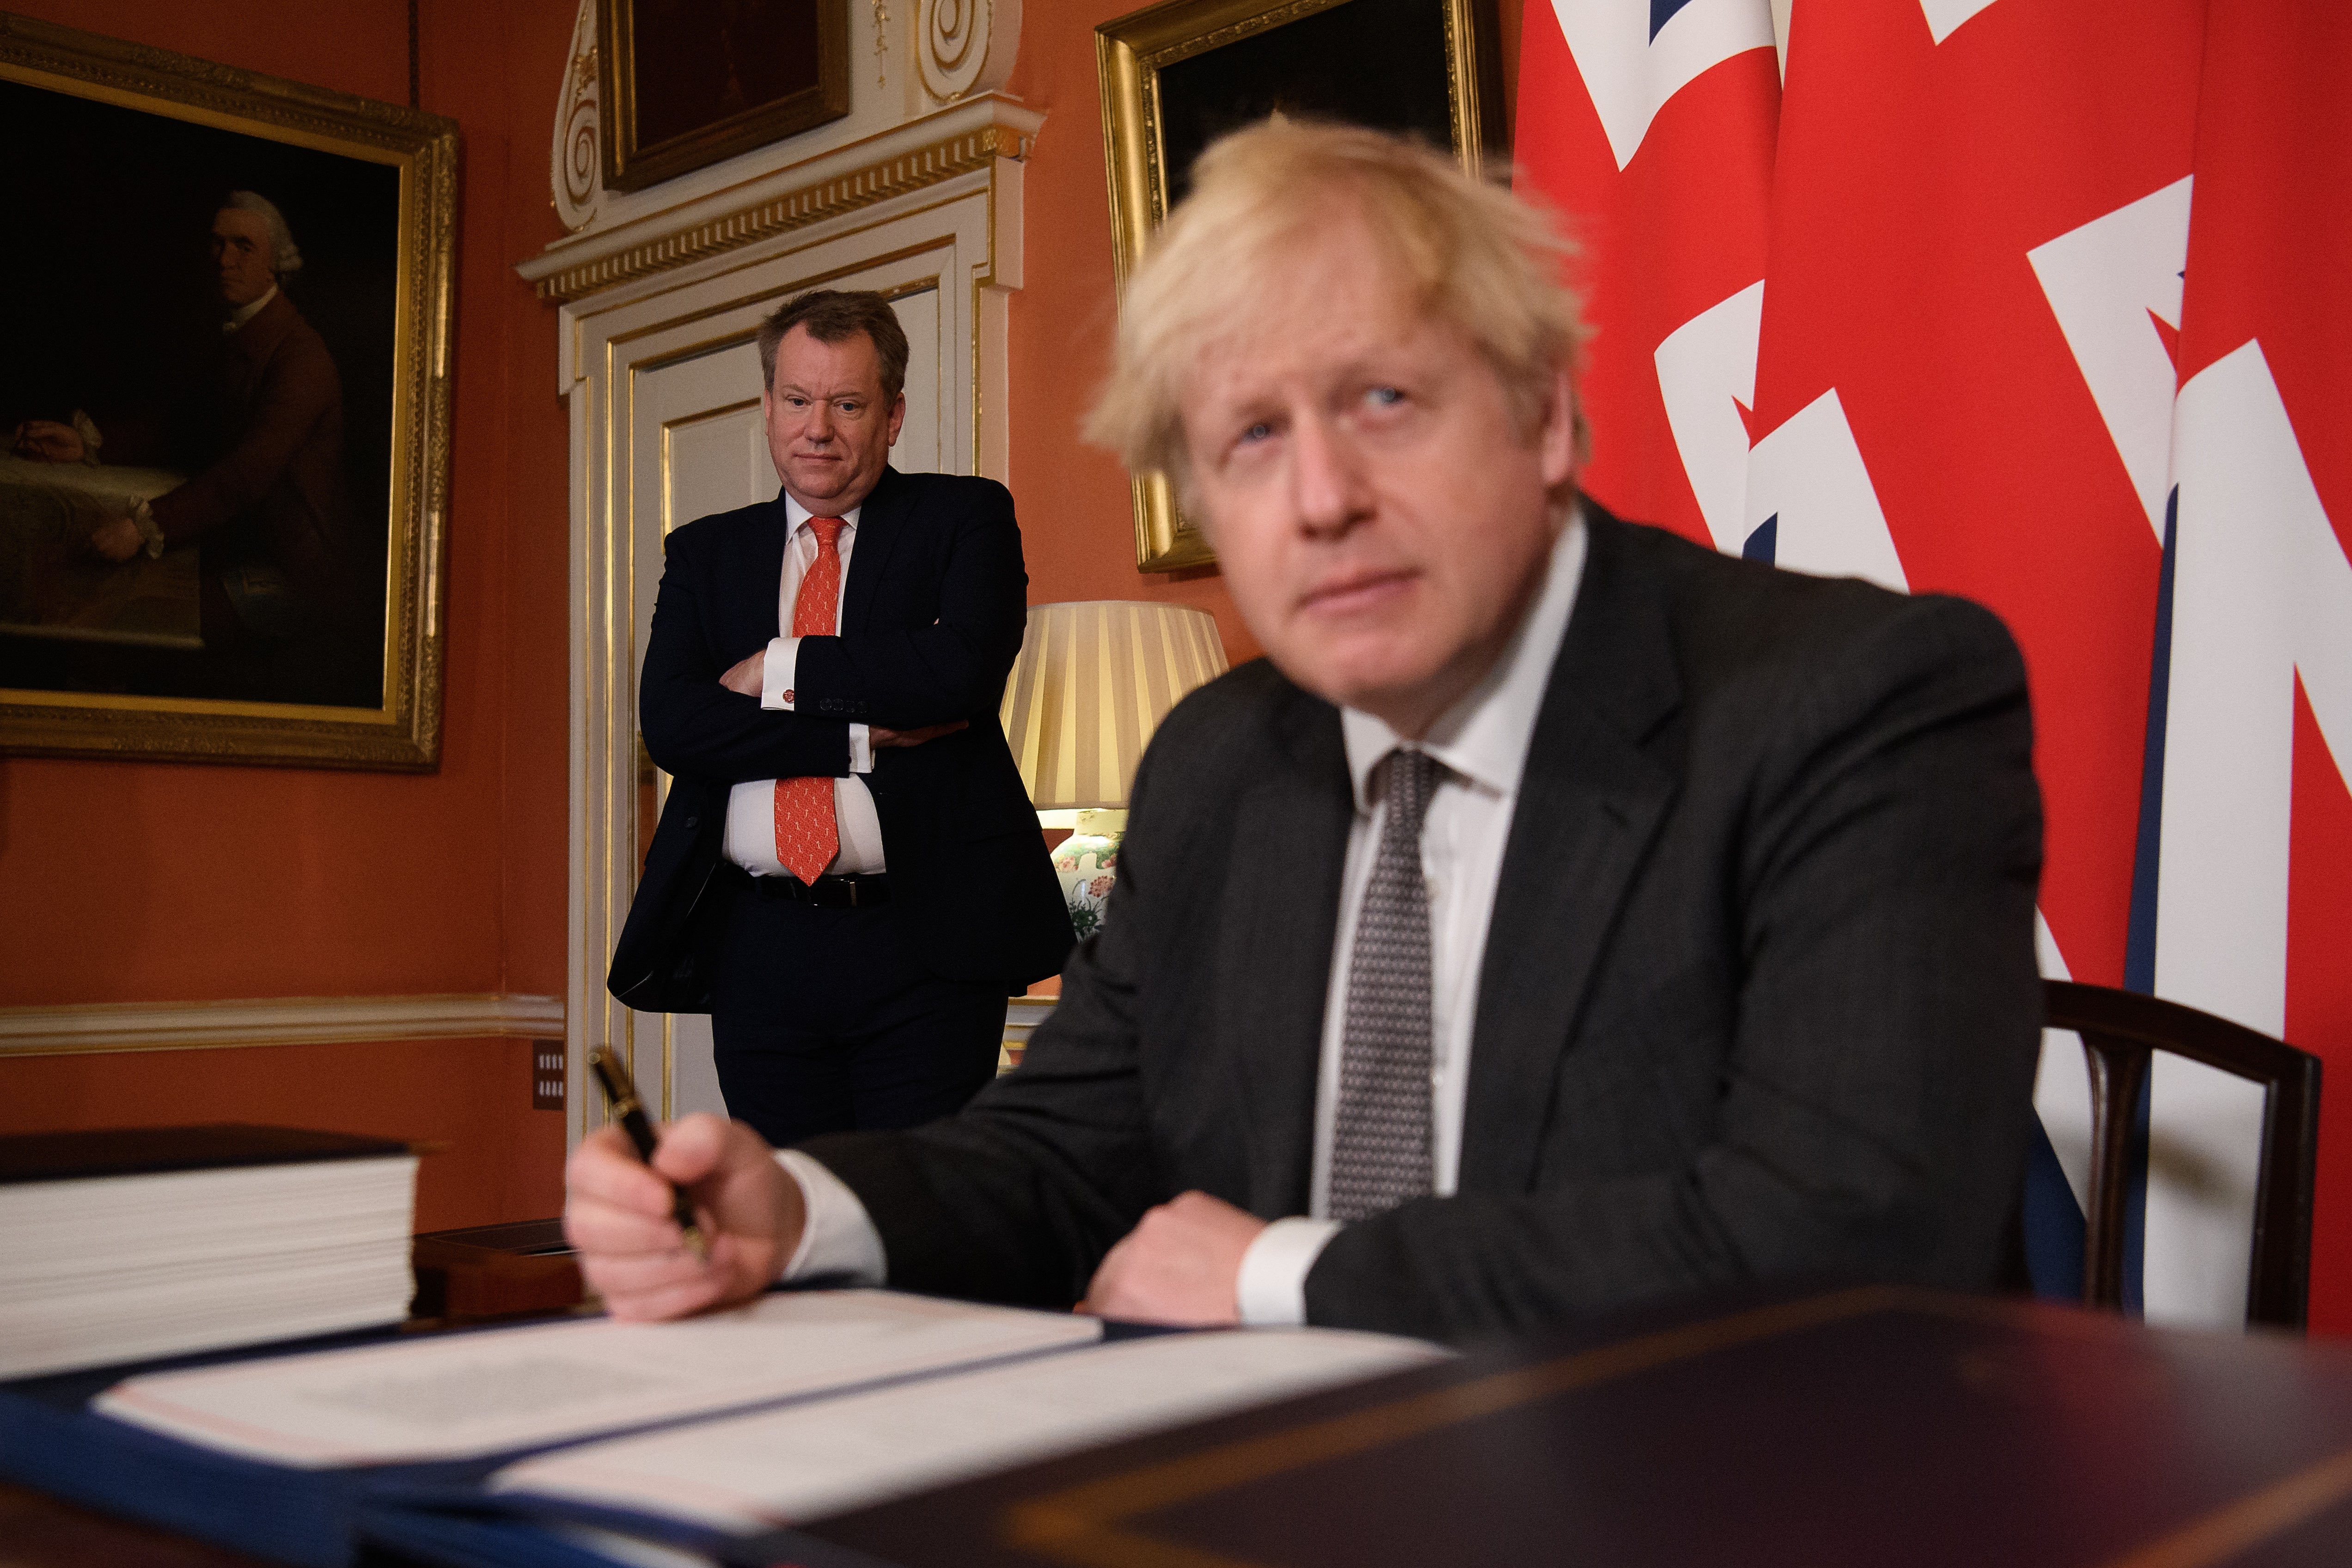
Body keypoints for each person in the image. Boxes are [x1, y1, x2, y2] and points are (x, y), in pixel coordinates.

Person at [567, 125, 2044, 1344]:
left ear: (1540, 417)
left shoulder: (1856, 701)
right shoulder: (1220, 757)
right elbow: (1062, 1150)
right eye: (1249, 438)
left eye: (1383, 400)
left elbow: (1857, 1235)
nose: (1319, 497)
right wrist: (802, 1212)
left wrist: (1286, 1277)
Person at [611, 288, 1074, 1147]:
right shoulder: (706, 553)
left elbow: (955, 675)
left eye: (846, 403)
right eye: (796, 400)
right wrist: (857, 732)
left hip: (923, 945)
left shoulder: (961, 519)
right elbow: (676, 724)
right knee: (793, 1224)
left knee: (920, 1222)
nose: (816, 427)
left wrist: (772, 668)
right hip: (759, 945)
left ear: (892, 416)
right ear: (766, 406)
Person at [12, 191, 367, 702]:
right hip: (228, 547)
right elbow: (184, 429)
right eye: (218, 244)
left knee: (115, 633)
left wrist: (141, 525)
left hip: (289, 577)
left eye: (243, 246)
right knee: (78, 599)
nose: (224, 260)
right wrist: (88, 445)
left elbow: (246, 474)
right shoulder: (245, 334)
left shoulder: (302, 360)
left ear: (277, 263)